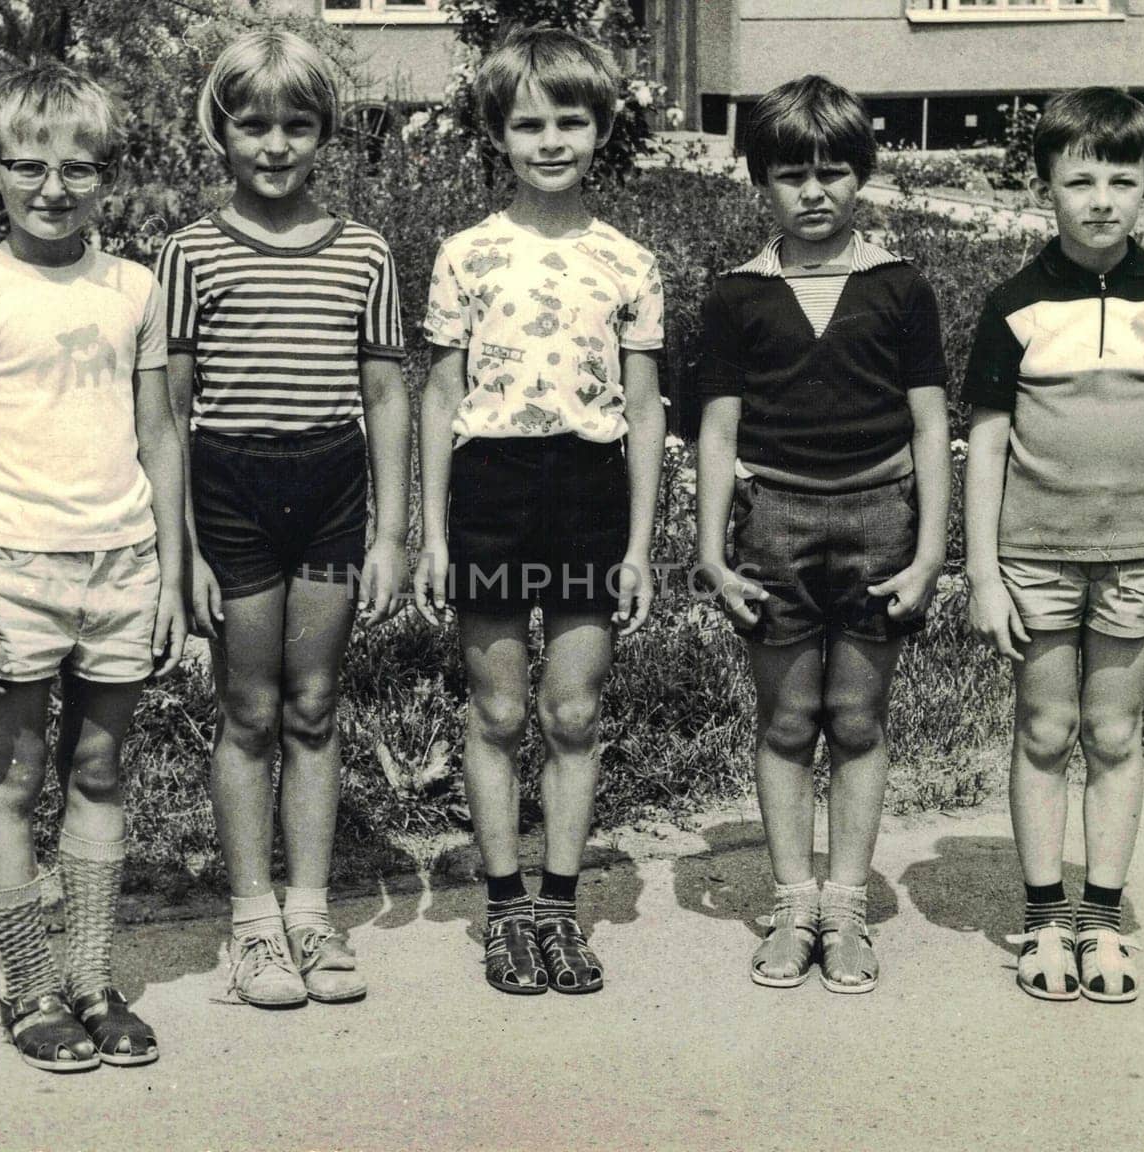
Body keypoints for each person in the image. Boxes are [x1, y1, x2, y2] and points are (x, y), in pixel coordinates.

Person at [0, 64, 185, 1071]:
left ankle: (88, 975)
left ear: (107, 177)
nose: (54, 187)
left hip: (121, 568)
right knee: (14, 776)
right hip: (13, 571)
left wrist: (167, 576)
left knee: (102, 769)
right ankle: (27, 989)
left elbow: (160, 436)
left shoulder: (134, 287)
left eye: (80, 168)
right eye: (29, 166)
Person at [155, 29, 408, 1008]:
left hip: (332, 492)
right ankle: (251, 924)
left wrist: (390, 534)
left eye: (295, 125)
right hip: (233, 494)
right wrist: (184, 556)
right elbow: (169, 416)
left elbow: (385, 396)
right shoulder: (188, 254)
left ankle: (310, 910)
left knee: (313, 704)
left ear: (324, 134)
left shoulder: (364, 253)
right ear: (220, 132)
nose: (273, 145)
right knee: (250, 708)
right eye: (252, 124)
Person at [412, 26, 666, 995]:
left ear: (602, 127)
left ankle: (561, 908)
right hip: (492, 489)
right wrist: (432, 535)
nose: (550, 140)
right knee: (499, 709)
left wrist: (639, 547)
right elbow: (439, 397)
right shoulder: (465, 255)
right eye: (527, 123)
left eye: (570, 119)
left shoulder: (629, 262)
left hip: (588, 491)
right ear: (497, 133)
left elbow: (643, 411)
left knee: (570, 712)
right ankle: (505, 906)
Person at [963, 87, 1144, 1003]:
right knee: (1045, 729)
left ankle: (1102, 919)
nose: (1102, 198)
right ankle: (1044, 921)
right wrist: (983, 572)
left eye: (1123, 178)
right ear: (1046, 187)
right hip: (1034, 557)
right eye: (1080, 179)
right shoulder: (1013, 306)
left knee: (1114, 731)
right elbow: (987, 443)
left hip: (1141, 559)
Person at [695, 75, 950, 994]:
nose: (814, 192)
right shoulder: (736, 297)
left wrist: (929, 553)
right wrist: (714, 553)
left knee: (856, 718)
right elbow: (718, 431)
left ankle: (846, 909)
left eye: (833, 172)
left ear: (862, 178)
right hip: (777, 524)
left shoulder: (898, 287)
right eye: (791, 174)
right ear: (761, 182)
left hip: (881, 519)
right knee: (788, 718)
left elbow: (929, 427)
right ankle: (792, 903)